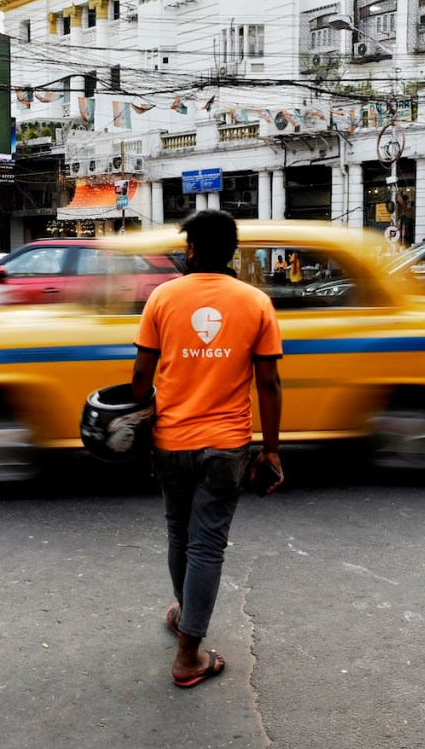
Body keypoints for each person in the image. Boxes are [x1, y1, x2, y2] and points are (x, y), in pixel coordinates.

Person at [131, 209, 283, 690]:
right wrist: (272, 451)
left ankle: (187, 624)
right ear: (232, 252)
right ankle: (188, 651)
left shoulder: (162, 298)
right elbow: (270, 383)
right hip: (227, 445)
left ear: (192, 249)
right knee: (207, 545)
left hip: (171, 440)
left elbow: (141, 379)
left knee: (181, 534)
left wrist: (138, 419)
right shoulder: (256, 302)